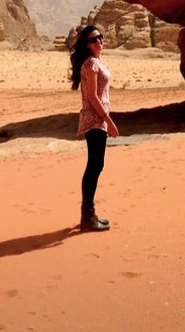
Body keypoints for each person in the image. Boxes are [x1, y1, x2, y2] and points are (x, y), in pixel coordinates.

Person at [71, 25, 120, 231]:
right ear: (87, 45)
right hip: (95, 120)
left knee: (96, 166)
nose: (98, 41)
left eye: (100, 37)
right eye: (93, 39)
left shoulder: (96, 62)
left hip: (97, 119)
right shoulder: (91, 64)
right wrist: (108, 121)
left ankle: (89, 215)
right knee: (94, 167)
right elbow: (92, 96)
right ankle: (87, 217)